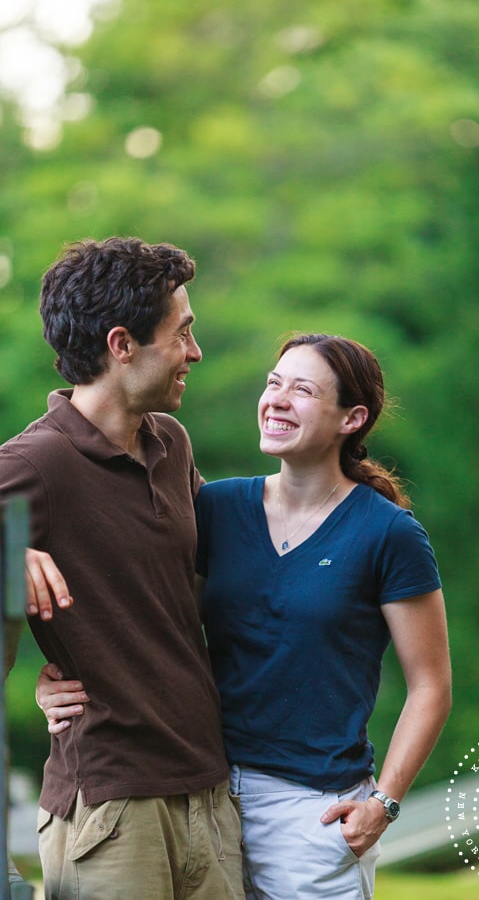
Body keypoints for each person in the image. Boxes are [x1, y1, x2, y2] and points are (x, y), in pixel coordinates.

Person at [36, 332, 451, 900]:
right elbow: (149, 613)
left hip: (313, 813)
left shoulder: (388, 534)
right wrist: (56, 668)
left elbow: (431, 685)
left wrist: (384, 803)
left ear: (351, 418)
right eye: (273, 383)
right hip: (204, 795)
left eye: (302, 390)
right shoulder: (218, 508)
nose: (276, 399)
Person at [0, 237, 244, 900]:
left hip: (210, 798)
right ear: (121, 345)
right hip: (110, 812)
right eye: (182, 334)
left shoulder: (171, 443)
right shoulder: (35, 464)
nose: (194, 353)